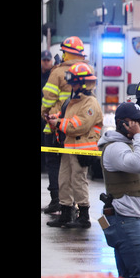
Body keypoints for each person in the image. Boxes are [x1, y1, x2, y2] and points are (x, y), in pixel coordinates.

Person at [98, 102, 140, 278]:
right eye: (137, 121)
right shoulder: (115, 148)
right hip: (126, 221)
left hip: (131, 219)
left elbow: (137, 194)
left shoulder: (127, 145)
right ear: (123, 123)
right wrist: (139, 137)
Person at [46, 62, 103, 229]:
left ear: (84, 83)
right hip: (69, 148)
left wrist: (57, 122)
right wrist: (54, 118)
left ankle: (83, 215)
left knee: (78, 181)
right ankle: (65, 213)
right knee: (64, 180)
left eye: (75, 82)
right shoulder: (74, 101)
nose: (72, 85)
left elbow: (78, 126)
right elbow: (66, 116)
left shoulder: (90, 103)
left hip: (82, 150)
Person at [41, 37, 88, 215]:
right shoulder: (86, 70)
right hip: (78, 128)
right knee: (76, 169)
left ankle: (57, 201)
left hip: (54, 128)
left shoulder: (57, 73)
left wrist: (45, 115)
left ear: (66, 53)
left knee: (56, 165)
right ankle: (74, 205)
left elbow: (47, 99)